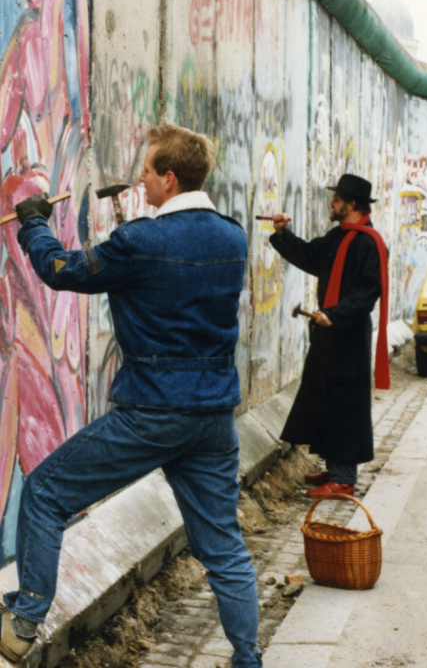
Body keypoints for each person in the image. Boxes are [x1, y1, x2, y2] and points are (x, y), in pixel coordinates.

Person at [0, 124, 262, 667]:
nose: (139, 178)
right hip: (213, 416)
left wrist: (34, 227)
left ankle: (22, 621)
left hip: (153, 409)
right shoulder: (233, 236)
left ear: (169, 178)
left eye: (146, 170)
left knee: (46, 492)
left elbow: (60, 271)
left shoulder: (140, 242)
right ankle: (248, 659)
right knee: (224, 549)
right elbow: (171, 289)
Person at [267, 173, 390, 499]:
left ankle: (344, 479)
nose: (331, 203)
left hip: (348, 335)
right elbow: (309, 255)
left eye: (336, 199)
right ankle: (335, 468)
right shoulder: (338, 237)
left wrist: (334, 314)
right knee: (326, 400)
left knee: (345, 404)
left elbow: (367, 293)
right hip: (329, 332)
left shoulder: (370, 243)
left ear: (350, 204)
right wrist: (281, 234)